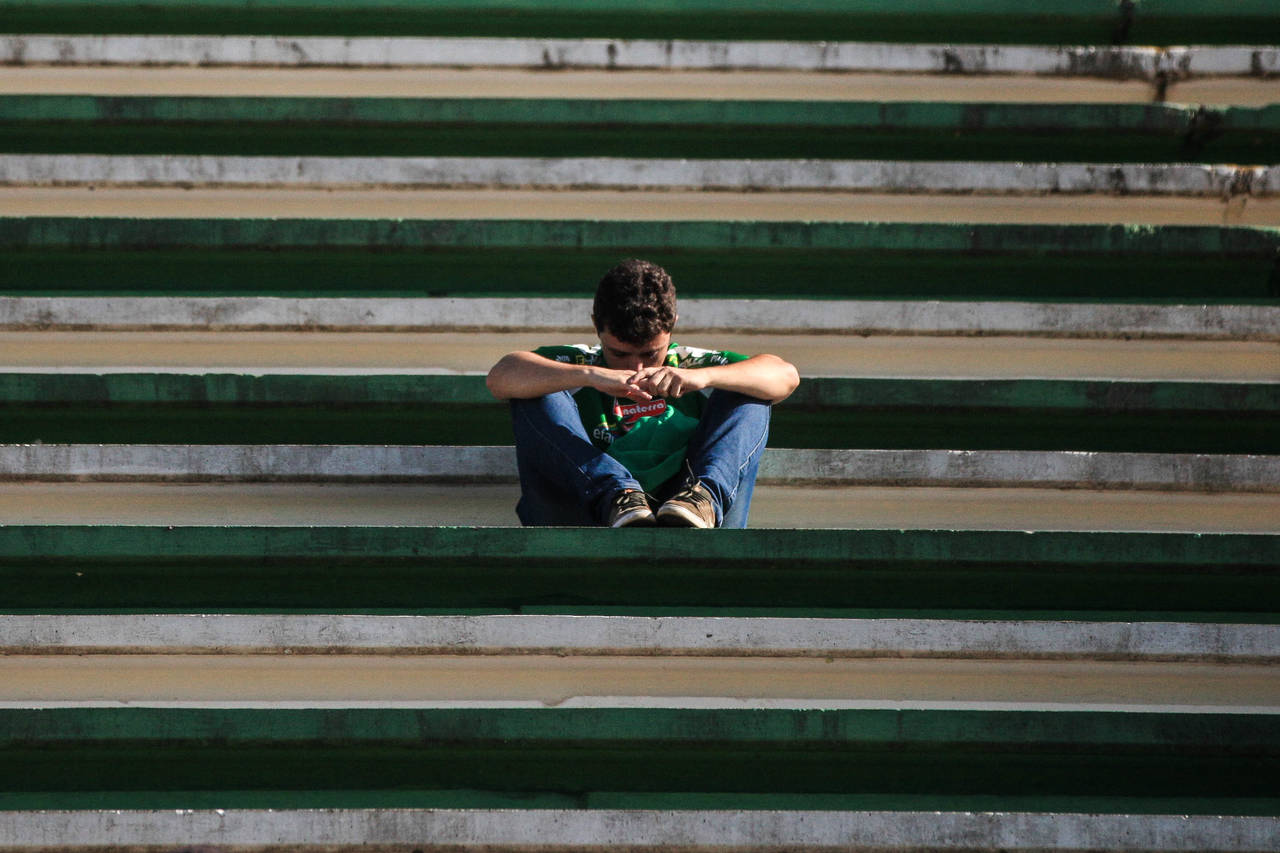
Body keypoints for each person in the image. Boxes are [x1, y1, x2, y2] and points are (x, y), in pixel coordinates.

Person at [486, 258, 799, 528]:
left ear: (672, 325)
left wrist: (702, 377)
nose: (636, 368)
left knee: (746, 388)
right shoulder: (581, 362)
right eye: (619, 354)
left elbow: (785, 375)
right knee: (536, 386)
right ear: (596, 326)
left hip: (689, 509)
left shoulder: (690, 364)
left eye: (651, 354)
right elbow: (501, 376)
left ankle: (702, 497)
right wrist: (589, 375)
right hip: (587, 507)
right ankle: (617, 494)